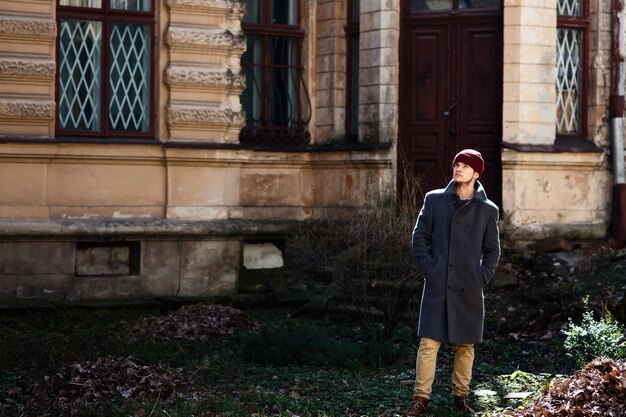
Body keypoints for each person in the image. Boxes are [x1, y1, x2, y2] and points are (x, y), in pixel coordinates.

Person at [405, 149, 501, 416]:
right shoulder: (434, 200)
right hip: (438, 283)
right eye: (456, 164)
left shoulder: (487, 210)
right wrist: (429, 267)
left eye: (464, 166)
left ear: (476, 173)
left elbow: (493, 250)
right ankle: (420, 399)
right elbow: (419, 236)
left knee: (466, 345)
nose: (458, 169)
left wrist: (481, 276)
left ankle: (461, 397)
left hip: (468, 286)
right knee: (428, 344)